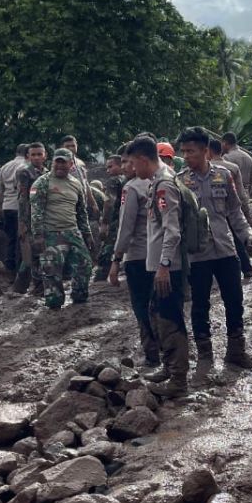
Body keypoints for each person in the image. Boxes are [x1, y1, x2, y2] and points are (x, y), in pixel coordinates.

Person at [177, 127, 252, 377]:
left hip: (225, 249)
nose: (187, 156)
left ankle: (236, 351)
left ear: (205, 151)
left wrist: (248, 235)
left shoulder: (224, 175)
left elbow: (234, 211)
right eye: (184, 152)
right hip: (197, 255)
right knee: (200, 305)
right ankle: (205, 356)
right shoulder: (179, 181)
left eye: (191, 151)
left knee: (234, 301)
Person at [126, 137, 190, 398]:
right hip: (161, 265)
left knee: (170, 320)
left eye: (132, 163)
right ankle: (169, 368)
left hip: (169, 268)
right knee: (159, 316)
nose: (131, 168)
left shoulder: (164, 185)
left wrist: (164, 265)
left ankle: (178, 380)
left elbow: (172, 231)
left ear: (143, 159)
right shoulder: (160, 181)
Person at [108, 153, 160, 366]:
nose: (126, 166)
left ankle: (151, 355)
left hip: (138, 255)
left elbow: (125, 227)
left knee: (142, 306)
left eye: (129, 161)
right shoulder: (165, 180)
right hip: (163, 255)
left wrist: (116, 258)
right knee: (162, 304)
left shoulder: (132, 187)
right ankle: (170, 352)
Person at [29, 148, 94, 309]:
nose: (59, 166)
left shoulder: (76, 183)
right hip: (51, 233)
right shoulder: (43, 182)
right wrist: (38, 235)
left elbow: (81, 212)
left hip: (73, 231)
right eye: (57, 162)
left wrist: (87, 233)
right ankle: (54, 304)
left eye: (63, 163)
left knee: (84, 265)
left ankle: (79, 298)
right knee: (51, 270)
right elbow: (36, 210)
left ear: (71, 164)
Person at [208, 138, 252, 280]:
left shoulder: (206, 170)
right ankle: (246, 268)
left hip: (214, 213)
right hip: (232, 208)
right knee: (236, 239)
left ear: (208, 151)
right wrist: (246, 212)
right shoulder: (233, 166)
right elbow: (240, 193)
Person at [13, 143, 49, 293]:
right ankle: (36, 286)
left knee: (40, 251)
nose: (36, 157)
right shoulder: (24, 173)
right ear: (27, 156)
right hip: (29, 217)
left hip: (45, 216)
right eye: (33, 154)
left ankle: (25, 286)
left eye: (39, 154)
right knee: (33, 254)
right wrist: (22, 223)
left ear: (45, 156)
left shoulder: (47, 172)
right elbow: (22, 198)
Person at [0, 144, 30, 280]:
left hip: (7, 206)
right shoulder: (26, 167)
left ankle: (9, 269)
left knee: (10, 240)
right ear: (28, 154)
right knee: (22, 241)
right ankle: (20, 272)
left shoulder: (5, 166)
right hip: (20, 208)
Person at [95, 155, 126, 282]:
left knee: (106, 253)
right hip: (126, 221)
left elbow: (109, 203)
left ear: (120, 165)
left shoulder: (114, 181)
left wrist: (104, 224)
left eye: (110, 166)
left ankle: (99, 280)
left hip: (115, 223)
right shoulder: (129, 179)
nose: (108, 170)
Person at [60, 135, 100, 220]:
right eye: (67, 146)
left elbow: (85, 184)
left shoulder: (80, 163)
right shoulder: (59, 164)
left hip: (82, 204)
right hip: (67, 205)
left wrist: (93, 203)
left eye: (73, 146)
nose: (71, 148)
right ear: (62, 147)